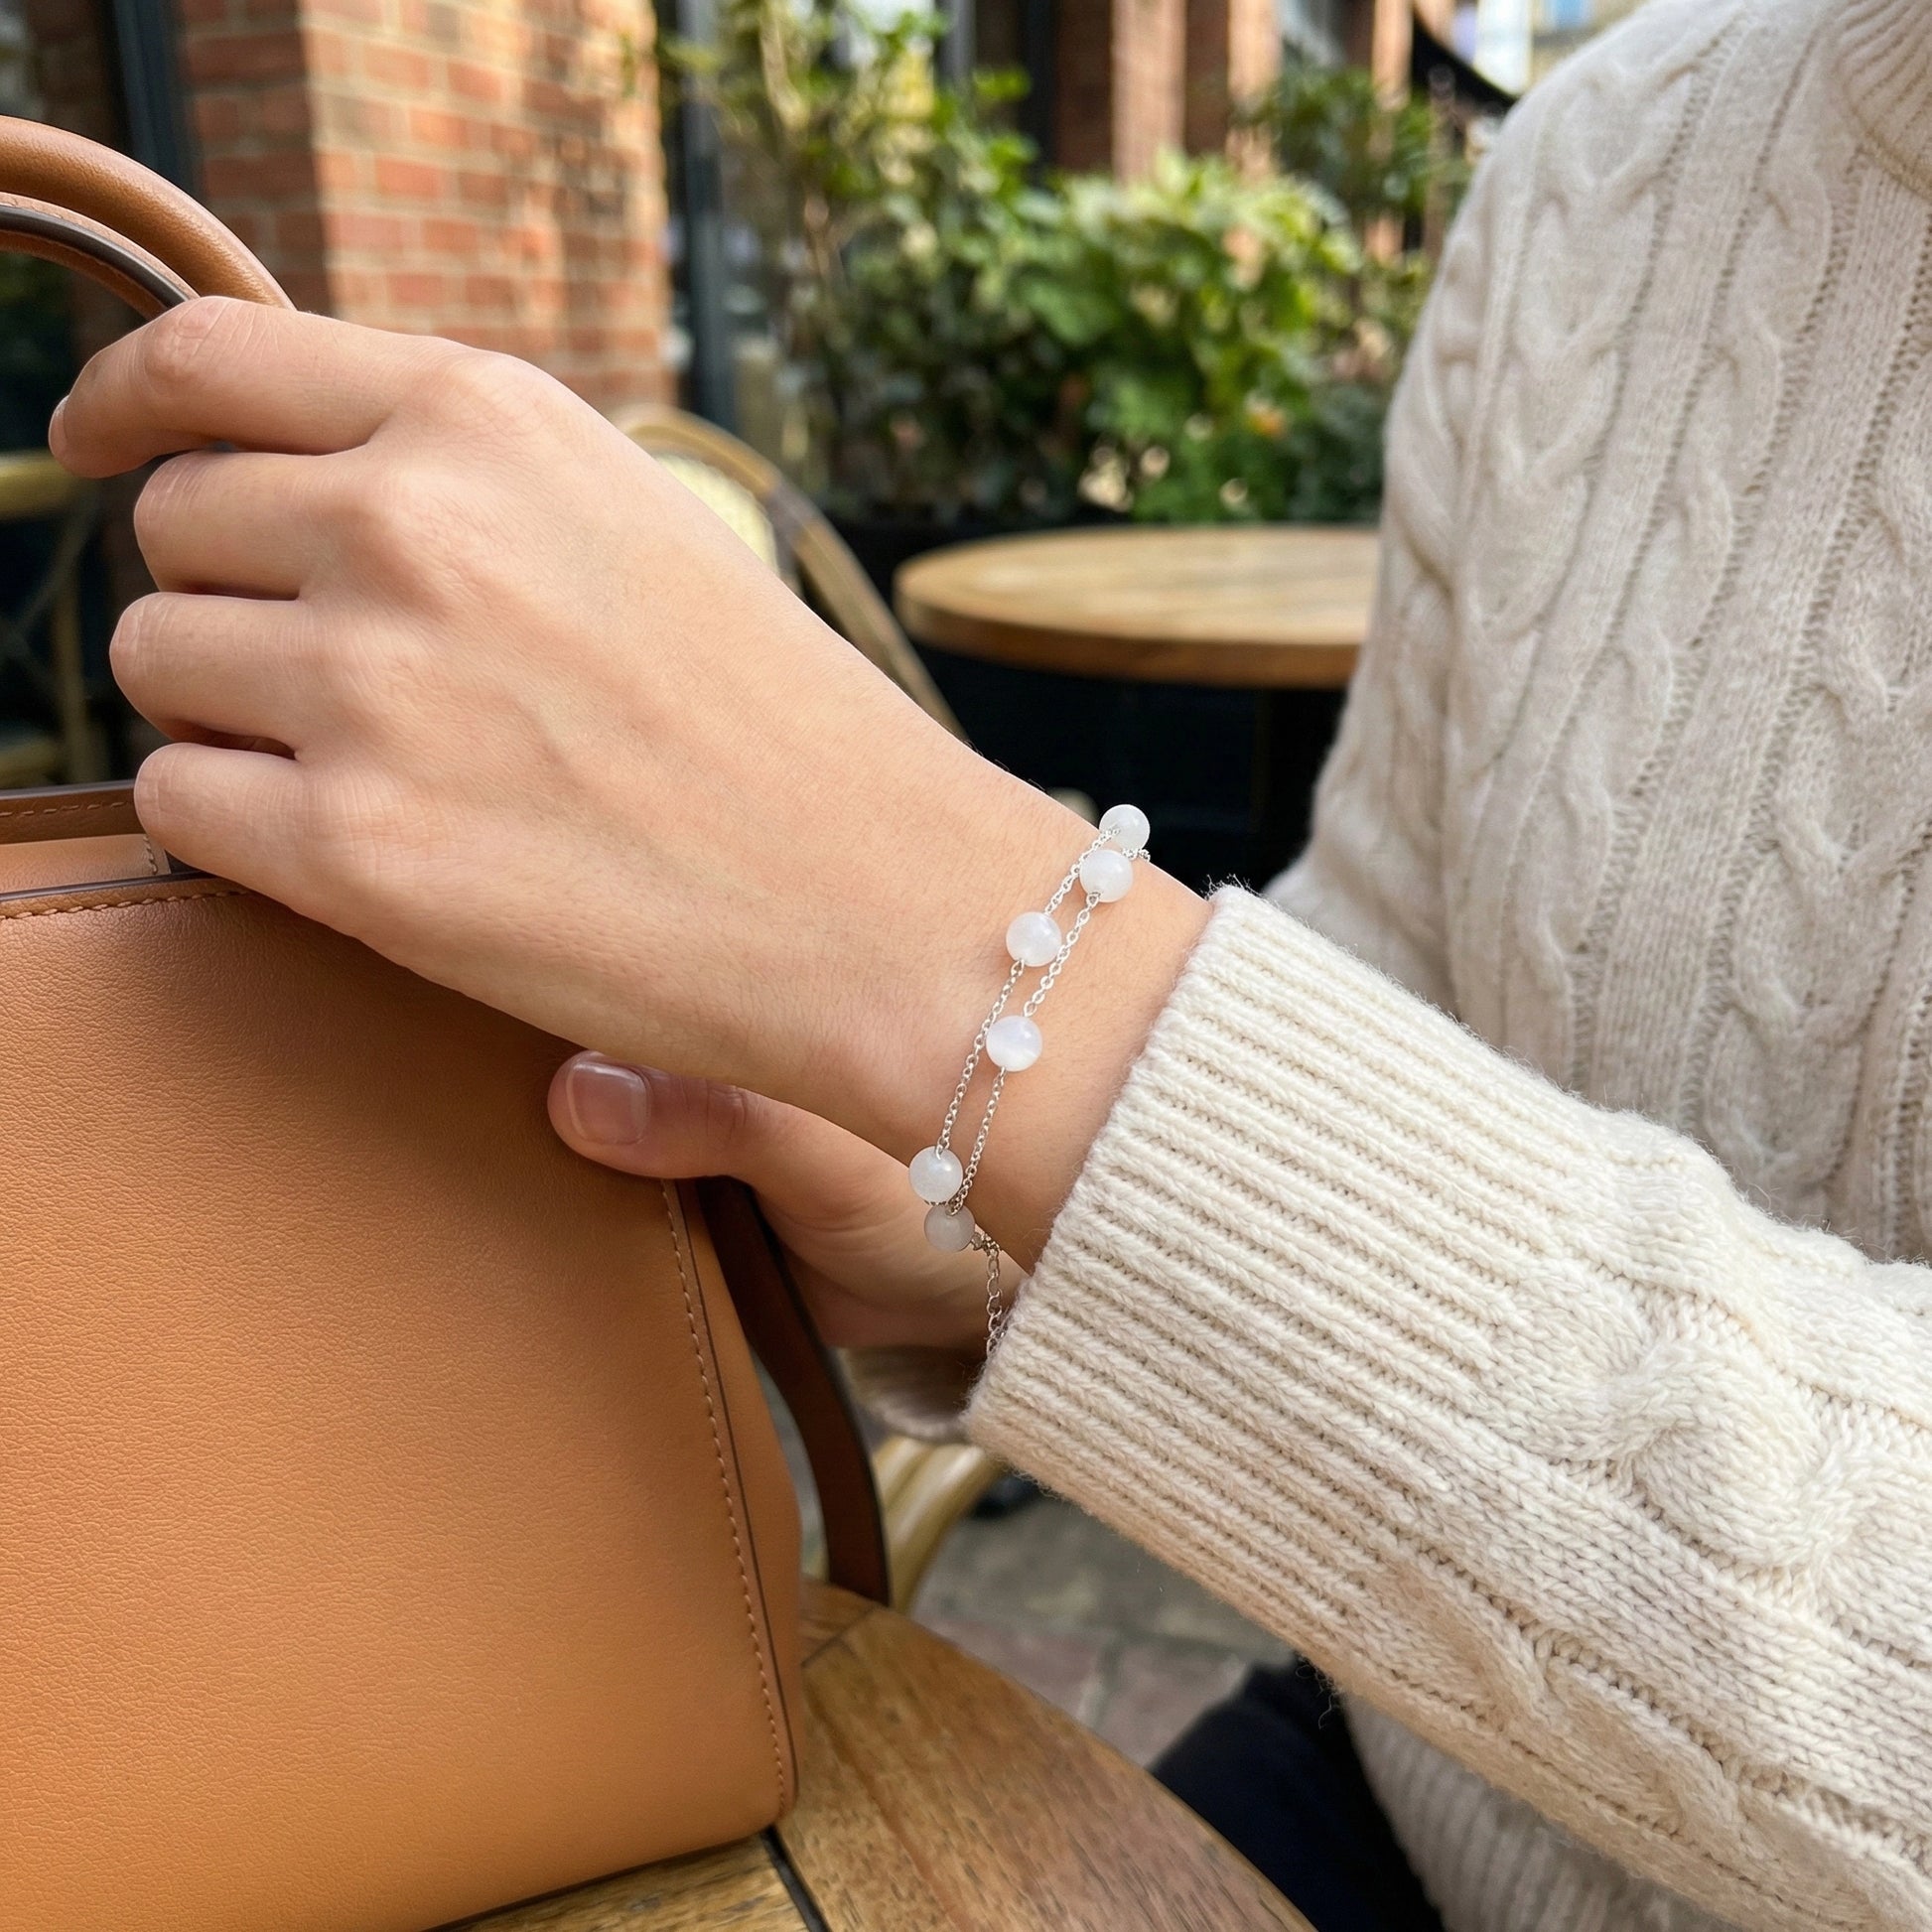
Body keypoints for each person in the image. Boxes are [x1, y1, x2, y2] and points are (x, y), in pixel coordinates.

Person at [48, 0, 1932, 1922]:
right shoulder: (1594, 165)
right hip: (1410, 1771)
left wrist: (971, 963)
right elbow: (1395, 972)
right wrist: (966, 1201)